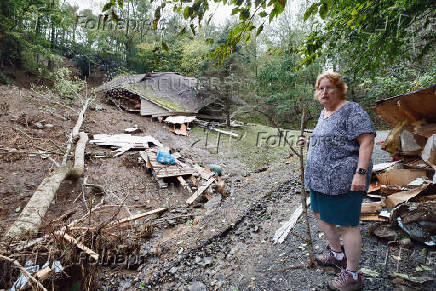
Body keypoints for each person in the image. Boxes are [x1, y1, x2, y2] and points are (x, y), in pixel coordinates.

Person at [304, 72, 375, 291]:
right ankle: (337, 255)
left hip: (344, 179)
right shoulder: (324, 113)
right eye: (320, 89)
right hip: (319, 179)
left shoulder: (351, 110)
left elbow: (367, 140)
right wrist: (309, 141)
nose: (323, 92)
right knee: (319, 213)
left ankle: (352, 275)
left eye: (328, 88)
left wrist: (361, 173)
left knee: (347, 224)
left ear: (339, 89)